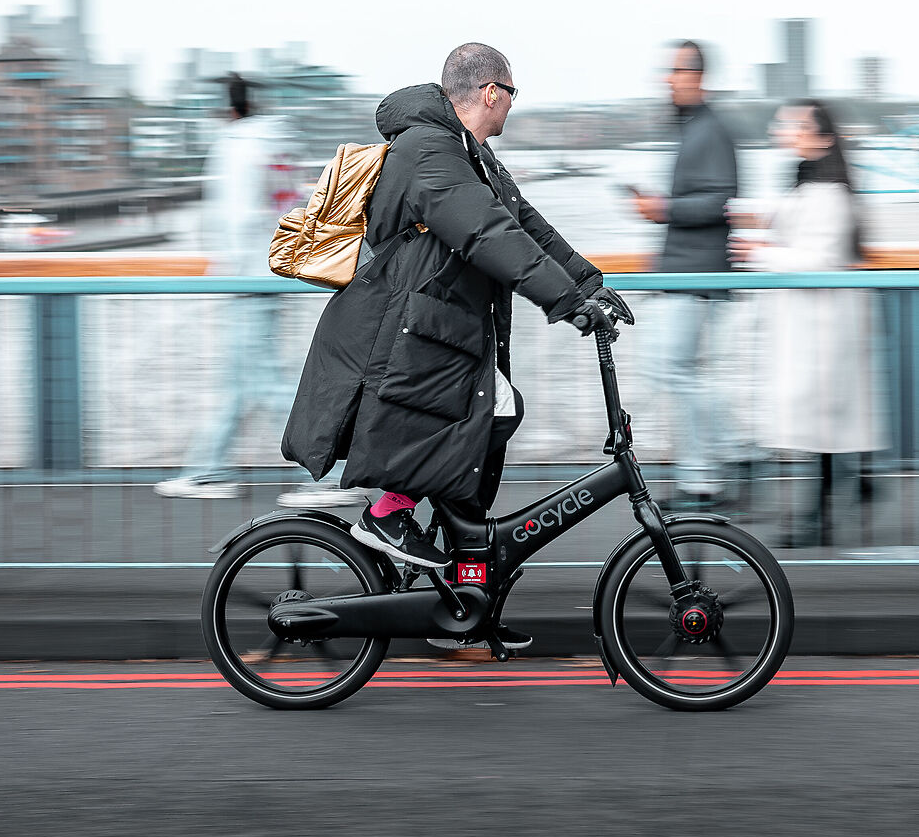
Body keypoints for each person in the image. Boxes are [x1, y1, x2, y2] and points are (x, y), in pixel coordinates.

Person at [282, 42, 631, 651]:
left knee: (493, 415)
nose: (512, 107)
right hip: (407, 333)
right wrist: (568, 304)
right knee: (488, 412)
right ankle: (389, 514)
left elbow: (527, 225)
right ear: (491, 91)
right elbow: (487, 234)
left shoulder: (473, 154)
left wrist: (590, 283)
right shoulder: (427, 150)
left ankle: (462, 592)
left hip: (441, 330)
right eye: (512, 94)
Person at [158, 75, 359, 504]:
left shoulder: (234, 148)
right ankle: (207, 468)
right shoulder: (276, 143)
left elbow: (235, 216)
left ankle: (326, 473)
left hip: (247, 276)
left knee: (265, 380)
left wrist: (228, 268)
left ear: (228, 111)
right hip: (272, 270)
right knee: (240, 380)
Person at [736, 100, 887, 546]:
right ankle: (852, 487)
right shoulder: (812, 180)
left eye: (795, 123)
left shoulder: (828, 193)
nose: (785, 128)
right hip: (815, 321)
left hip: (824, 324)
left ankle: (819, 514)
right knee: (824, 420)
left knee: (818, 417)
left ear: (823, 136)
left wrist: (758, 254)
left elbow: (818, 257)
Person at [629, 40, 739, 506]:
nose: (668, 78)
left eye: (675, 70)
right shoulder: (695, 128)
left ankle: (728, 455)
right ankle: (704, 473)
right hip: (684, 275)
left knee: (670, 369)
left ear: (697, 75)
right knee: (673, 370)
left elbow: (720, 199)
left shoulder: (710, 130)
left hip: (697, 279)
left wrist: (663, 209)